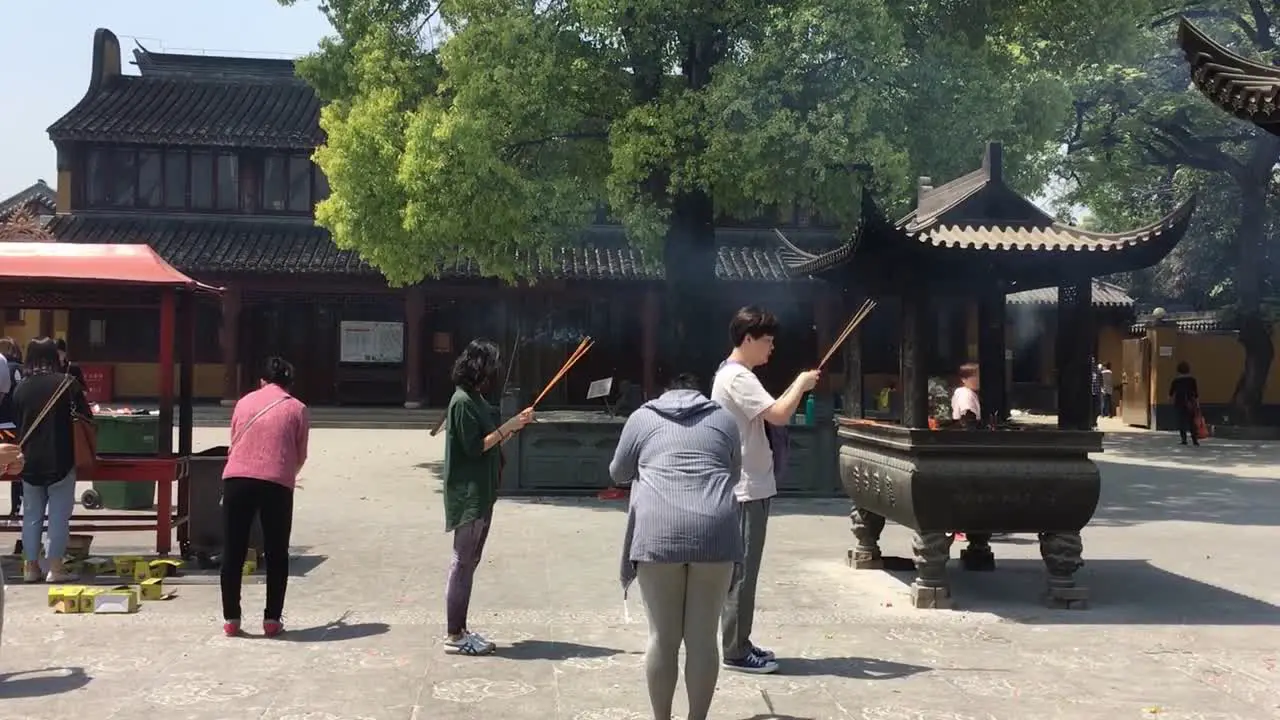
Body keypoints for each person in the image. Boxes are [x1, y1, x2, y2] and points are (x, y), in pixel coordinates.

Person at [611, 372, 743, 720]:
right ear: (698, 392)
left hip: (658, 532)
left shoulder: (642, 417)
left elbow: (617, 472)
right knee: (702, 639)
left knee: (662, 638)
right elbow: (733, 473)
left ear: (663, 393)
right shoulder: (723, 418)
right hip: (715, 531)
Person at [711, 306, 819, 674]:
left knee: (742, 569)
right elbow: (779, 414)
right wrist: (801, 385)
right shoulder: (738, 378)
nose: (771, 348)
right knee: (742, 571)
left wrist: (797, 385)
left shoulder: (737, 375)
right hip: (745, 488)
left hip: (749, 484)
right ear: (748, 339)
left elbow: (771, 409)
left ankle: (739, 639)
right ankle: (736, 651)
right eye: (767, 341)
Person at [442, 339, 533, 656]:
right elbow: (474, 447)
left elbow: (491, 441)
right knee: (461, 562)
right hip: (468, 494)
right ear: (480, 369)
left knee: (471, 562)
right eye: (492, 366)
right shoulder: (462, 402)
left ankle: (462, 628)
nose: (495, 373)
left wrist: (512, 426)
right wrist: (508, 425)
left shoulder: (476, 399)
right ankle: (454, 634)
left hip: (483, 491)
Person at [220, 356, 310, 637]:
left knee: (233, 550)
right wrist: (284, 472)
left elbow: (234, 436)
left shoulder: (244, 402)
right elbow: (300, 454)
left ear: (262, 381)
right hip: (276, 483)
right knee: (276, 552)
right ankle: (272, 619)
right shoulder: (297, 408)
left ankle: (231, 619)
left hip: (236, 478)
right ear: (290, 384)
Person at [12, 337, 88, 583]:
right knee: (58, 516)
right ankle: (55, 569)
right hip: (61, 458)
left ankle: (31, 568)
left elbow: (15, 422)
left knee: (31, 516)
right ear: (55, 357)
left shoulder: (21, 387)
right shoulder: (67, 383)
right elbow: (86, 416)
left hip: (29, 461)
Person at [0, 337, 22, 518]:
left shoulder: (4, 365)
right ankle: (17, 506)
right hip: (14, 425)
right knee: (16, 466)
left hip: (2, 423)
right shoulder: (21, 369)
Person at [1169, 361, 1200, 446]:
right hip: (1190, 403)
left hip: (1180, 403)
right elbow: (1196, 393)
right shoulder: (1192, 380)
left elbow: (1171, 393)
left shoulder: (1176, 380)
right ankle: (1195, 440)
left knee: (1181, 422)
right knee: (1191, 422)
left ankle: (1184, 439)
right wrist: (1197, 404)